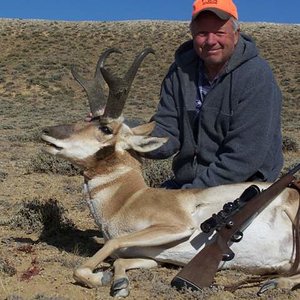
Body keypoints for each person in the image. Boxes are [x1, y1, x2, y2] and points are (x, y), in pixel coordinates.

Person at [145, 0, 283, 189]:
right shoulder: (180, 72)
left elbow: (243, 157)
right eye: (202, 33)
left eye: (219, 32)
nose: (211, 41)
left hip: (242, 186)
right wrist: (120, 134)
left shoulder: (256, 76)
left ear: (236, 35)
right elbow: (167, 131)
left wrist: (191, 194)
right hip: (187, 184)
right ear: (193, 34)